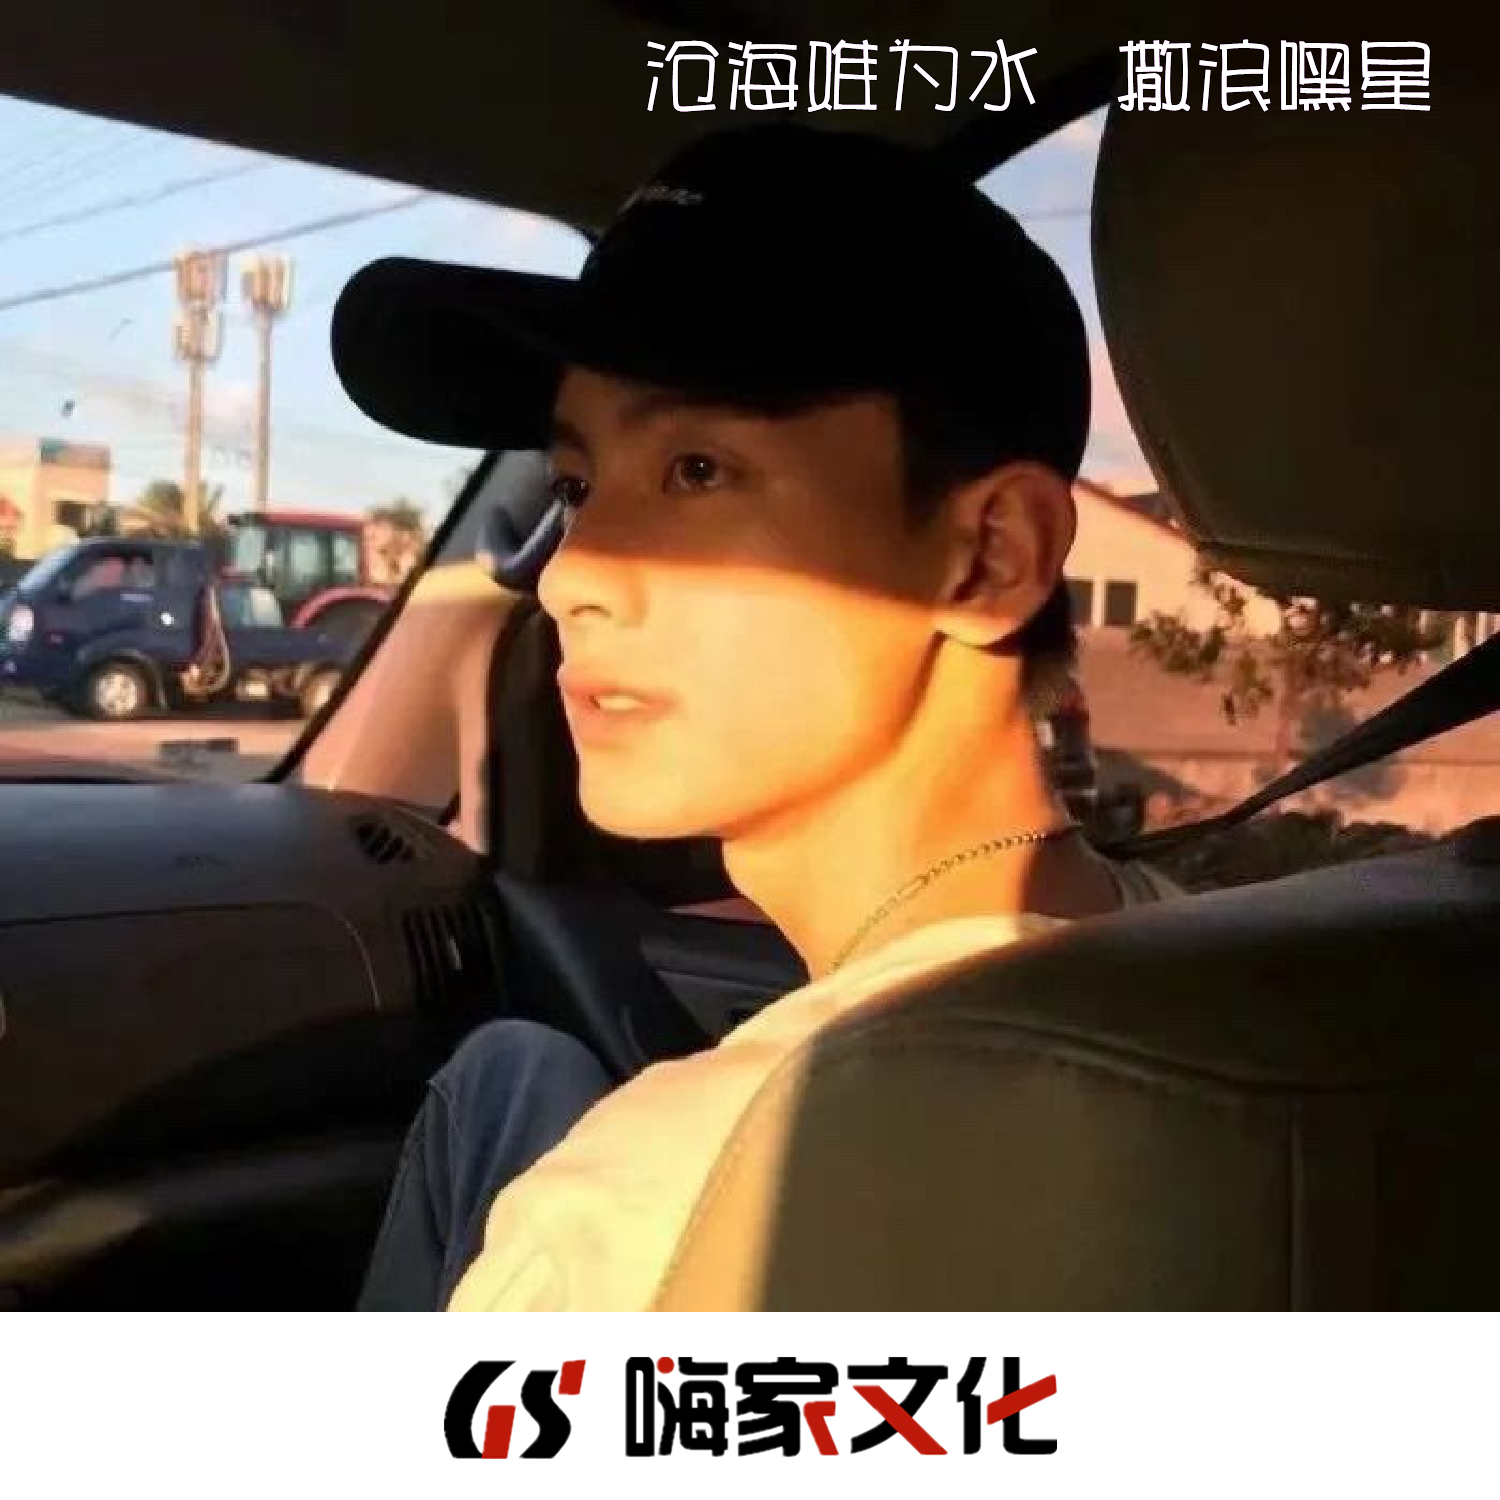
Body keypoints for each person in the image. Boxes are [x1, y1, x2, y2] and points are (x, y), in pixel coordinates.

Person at [333, 121, 1179, 1312]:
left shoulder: (636, 1216)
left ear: (991, 555)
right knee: (507, 1073)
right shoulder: (1240, 961)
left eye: (697, 471)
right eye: (576, 487)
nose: (569, 576)